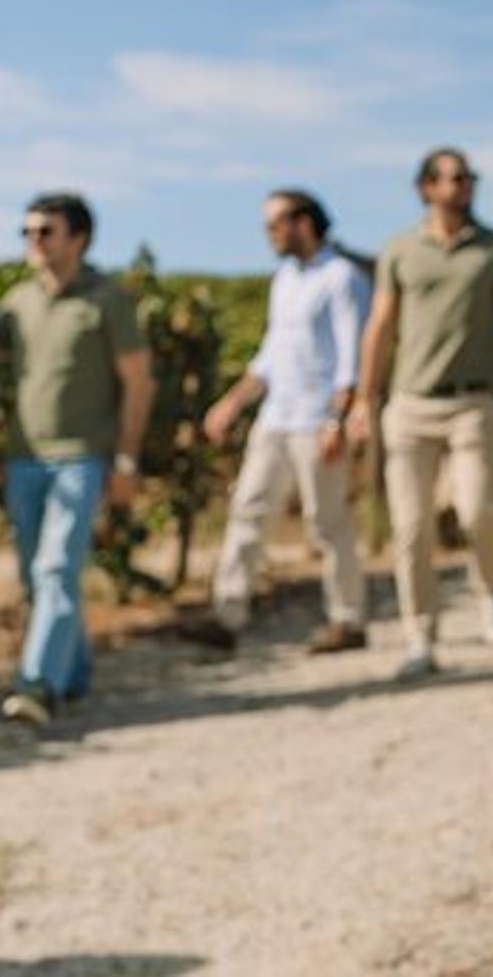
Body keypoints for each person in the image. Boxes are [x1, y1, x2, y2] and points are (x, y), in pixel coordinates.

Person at [347, 148, 493, 681]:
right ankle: (419, 636)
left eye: (469, 178)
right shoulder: (401, 250)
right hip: (410, 404)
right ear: (426, 187)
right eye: (452, 178)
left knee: (479, 511)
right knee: (410, 528)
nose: (463, 186)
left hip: (473, 401)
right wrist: (365, 398)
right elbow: (380, 326)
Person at [0, 193, 154, 726]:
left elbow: (137, 382)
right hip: (22, 457)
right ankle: (75, 674)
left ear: (79, 239)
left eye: (45, 231)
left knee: (58, 567)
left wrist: (126, 461)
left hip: (81, 457)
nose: (33, 242)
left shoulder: (107, 299)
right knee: (39, 577)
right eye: (28, 232)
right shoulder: (13, 304)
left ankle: (37, 684)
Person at [188, 190, 372, 654]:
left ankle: (348, 621)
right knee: (248, 509)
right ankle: (227, 616)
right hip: (275, 418)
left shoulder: (342, 278)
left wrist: (338, 418)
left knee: (327, 522)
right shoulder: (284, 281)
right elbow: (270, 356)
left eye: (275, 224)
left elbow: (353, 357)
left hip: (316, 420)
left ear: (304, 222)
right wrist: (232, 403)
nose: (269, 234)